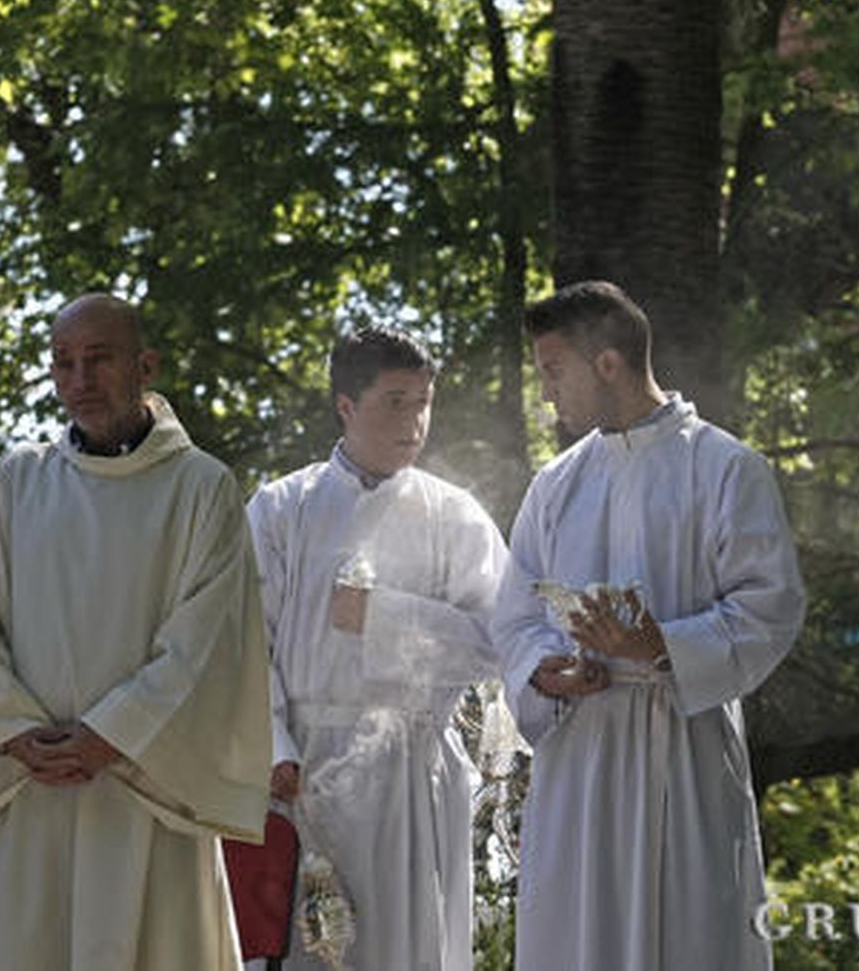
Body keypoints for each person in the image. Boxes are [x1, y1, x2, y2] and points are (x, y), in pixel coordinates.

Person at [0, 293, 271, 970]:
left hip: (143, 791)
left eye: (98, 360)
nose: (79, 381)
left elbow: (207, 644)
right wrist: (16, 735)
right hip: (29, 790)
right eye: (64, 364)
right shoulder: (16, 484)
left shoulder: (202, 489)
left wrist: (108, 736)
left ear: (146, 366)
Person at [490, 281, 806, 970]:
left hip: (682, 747)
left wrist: (660, 644)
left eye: (553, 371)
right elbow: (515, 618)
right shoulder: (556, 485)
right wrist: (547, 671)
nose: (547, 393)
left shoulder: (724, 468)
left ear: (608, 364)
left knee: (689, 935)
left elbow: (770, 607)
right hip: (582, 757)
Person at [238, 326, 507, 971]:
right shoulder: (280, 509)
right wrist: (274, 747)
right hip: (306, 770)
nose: (415, 421)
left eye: (423, 401)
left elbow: (500, 641)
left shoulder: (456, 515)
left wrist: (384, 617)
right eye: (395, 401)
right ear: (346, 406)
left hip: (413, 775)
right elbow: (243, 643)